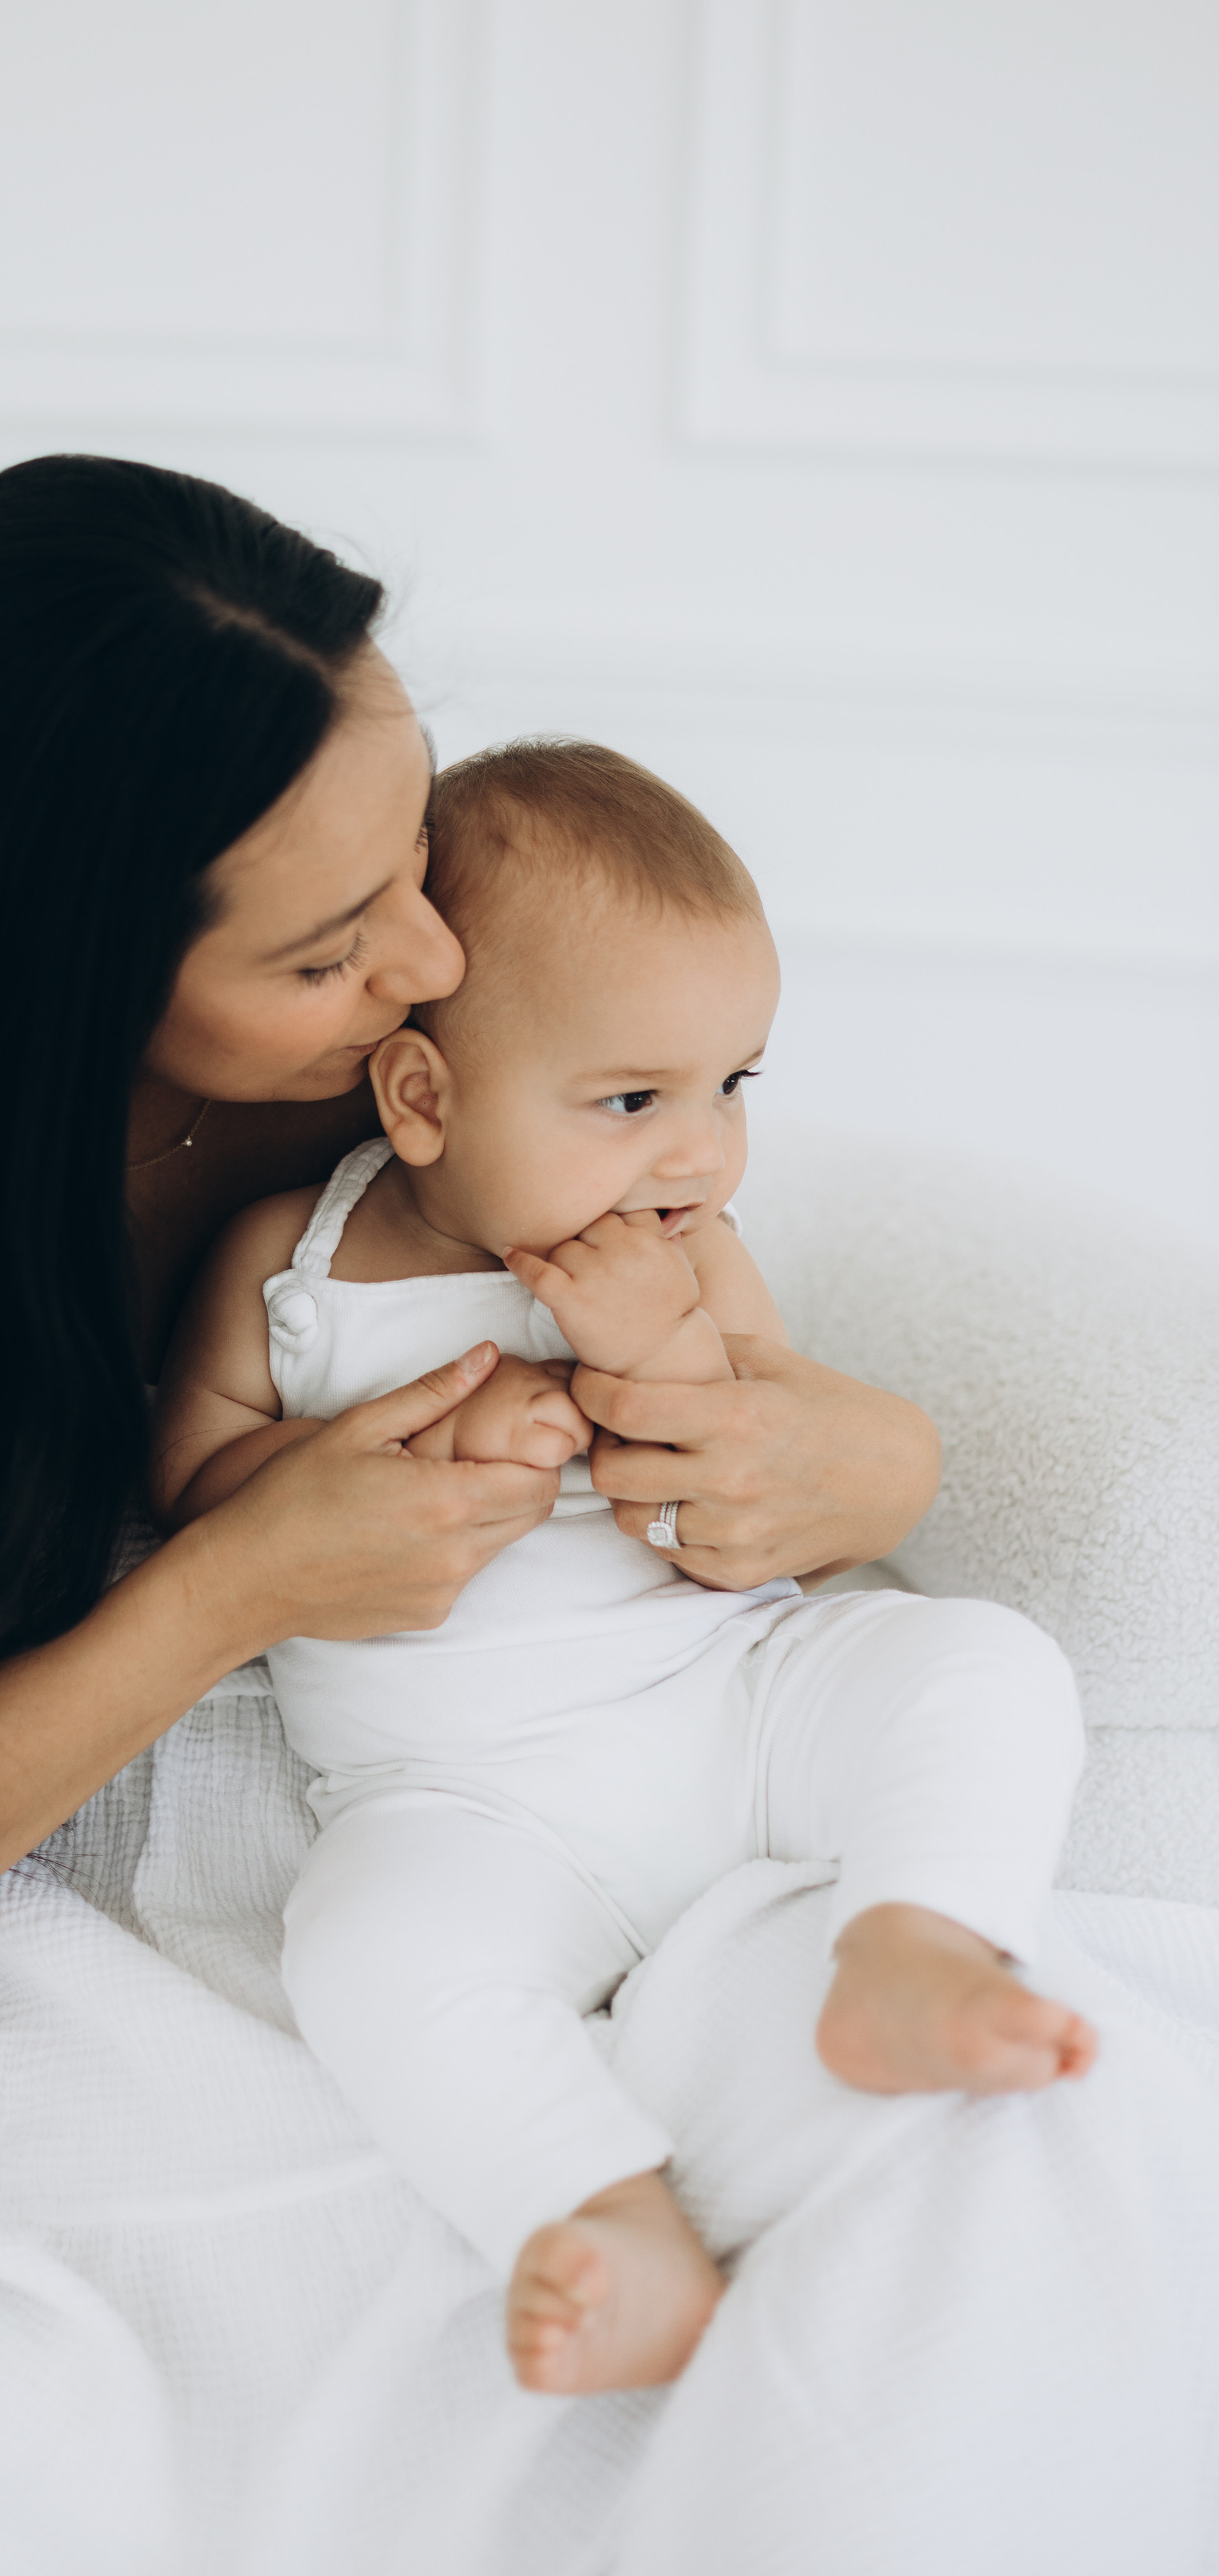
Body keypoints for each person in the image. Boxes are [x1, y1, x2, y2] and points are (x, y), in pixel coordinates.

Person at [0, 456, 940, 2065]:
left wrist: (869, 1462)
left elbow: (730, 1320)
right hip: (360, 1907)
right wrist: (237, 1581)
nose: (434, 961)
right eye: (329, 949)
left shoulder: (411, 1085)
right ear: (70, 986)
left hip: (649, 1787)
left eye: (411, 847)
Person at [152, 738, 1093, 2400]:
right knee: (365, 1953)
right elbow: (196, 1493)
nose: (699, 1156)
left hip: (732, 1700)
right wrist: (387, 1457)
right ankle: (593, 2214)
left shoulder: (689, 1255)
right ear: (422, 1098)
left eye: (734, 1085)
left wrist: (660, 1349)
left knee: (976, 1667)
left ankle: (916, 1939)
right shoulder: (291, 1271)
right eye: (631, 1100)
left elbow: (752, 1457)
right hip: (464, 1799)